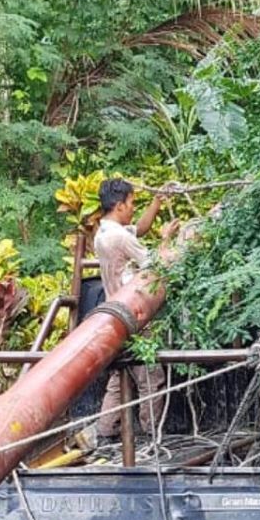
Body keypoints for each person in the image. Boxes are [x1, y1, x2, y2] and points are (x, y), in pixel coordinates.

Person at [92, 177, 181, 442]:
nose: (133, 208)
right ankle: (153, 437)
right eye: (131, 203)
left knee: (121, 376)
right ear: (119, 205)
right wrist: (167, 239)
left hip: (115, 311)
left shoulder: (104, 232)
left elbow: (139, 230)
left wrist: (156, 202)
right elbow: (156, 265)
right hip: (135, 313)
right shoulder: (118, 237)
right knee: (150, 378)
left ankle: (104, 431)